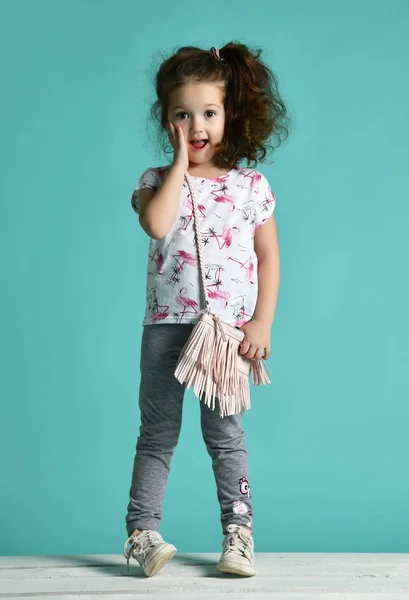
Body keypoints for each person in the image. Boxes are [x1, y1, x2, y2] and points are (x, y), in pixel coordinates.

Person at [123, 42, 289, 578]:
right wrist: (177, 163)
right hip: (167, 328)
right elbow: (156, 224)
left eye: (209, 113)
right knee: (158, 433)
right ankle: (141, 533)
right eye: (182, 114)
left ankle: (238, 533)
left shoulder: (250, 187)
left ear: (229, 115)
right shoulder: (154, 182)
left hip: (225, 334)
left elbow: (268, 255)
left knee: (225, 436)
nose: (196, 125)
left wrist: (261, 320)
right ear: (166, 120)